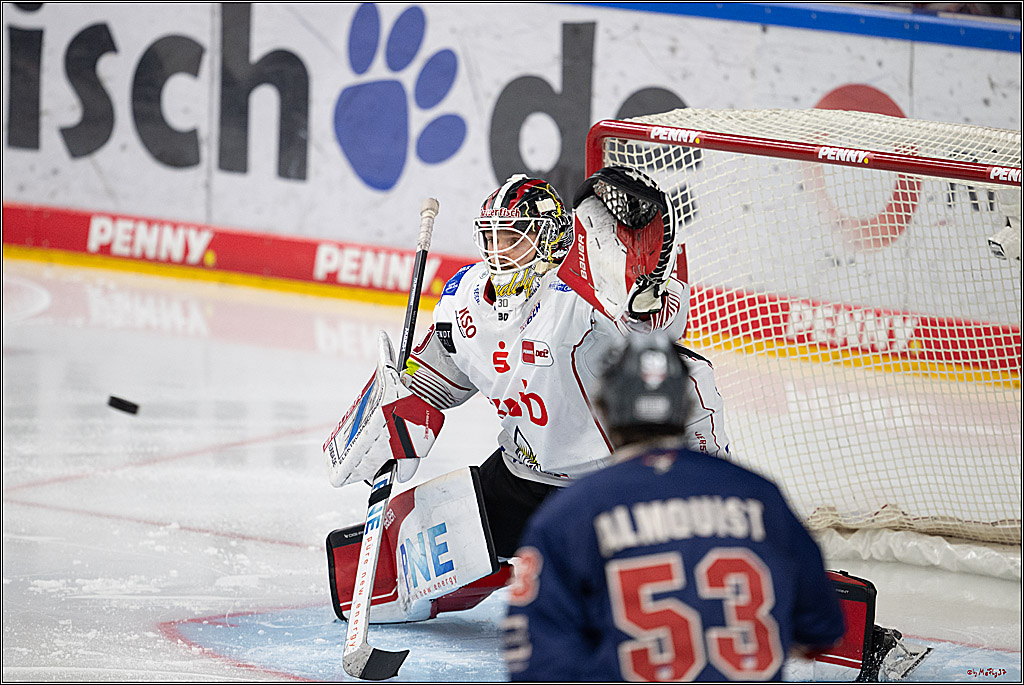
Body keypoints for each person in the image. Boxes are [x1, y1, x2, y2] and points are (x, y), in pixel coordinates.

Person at [324, 167, 729, 623]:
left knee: (645, 609)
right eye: (491, 238)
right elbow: (435, 381)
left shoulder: (583, 291)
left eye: (514, 237)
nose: (499, 251)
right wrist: (401, 413)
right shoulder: (464, 297)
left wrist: (645, 295)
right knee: (378, 576)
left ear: (550, 238)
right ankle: (501, 568)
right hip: (523, 475)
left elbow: (658, 329)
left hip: (608, 485)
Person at [501, 330, 846, 681]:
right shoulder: (759, 495)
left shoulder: (570, 514)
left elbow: (536, 665)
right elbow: (820, 629)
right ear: (687, 405)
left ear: (602, 407)